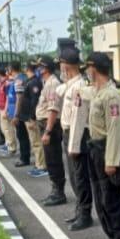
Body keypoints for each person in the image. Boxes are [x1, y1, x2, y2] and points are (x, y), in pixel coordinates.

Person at [74, 52, 120, 239]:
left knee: (111, 198)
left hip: (106, 149)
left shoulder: (111, 95)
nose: (86, 72)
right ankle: (112, 236)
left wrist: (112, 161)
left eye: (88, 68)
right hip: (95, 149)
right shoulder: (97, 91)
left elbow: (115, 130)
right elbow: (83, 92)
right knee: (100, 196)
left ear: (94, 68)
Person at [58, 48, 93, 231]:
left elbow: (78, 118)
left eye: (61, 64)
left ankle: (85, 214)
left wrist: (73, 144)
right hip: (68, 133)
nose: (60, 67)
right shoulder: (72, 84)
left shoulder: (79, 86)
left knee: (80, 177)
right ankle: (80, 210)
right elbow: (59, 91)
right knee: (73, 175)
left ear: (66, 65)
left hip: (76, 134)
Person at [33, 55, 66, 206]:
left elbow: (53, 109)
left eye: (39, 66)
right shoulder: (47, 82)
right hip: (46, 124)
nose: (37, 69)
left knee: (53, 160)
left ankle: (58, 193)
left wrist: (47, 132)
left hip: (50, 125)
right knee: (50, 159)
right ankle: (55, 190)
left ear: (45, 68)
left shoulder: (53, 83)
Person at [21, 58, 45, 175]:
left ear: (27, 68)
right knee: (34, 141)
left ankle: (41, 166)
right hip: (27, 116)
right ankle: (38, 163)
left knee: (36, 141)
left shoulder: (34, 82)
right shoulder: (29, 81)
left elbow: (34, 101)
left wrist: (32, 118)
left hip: (31, 116)